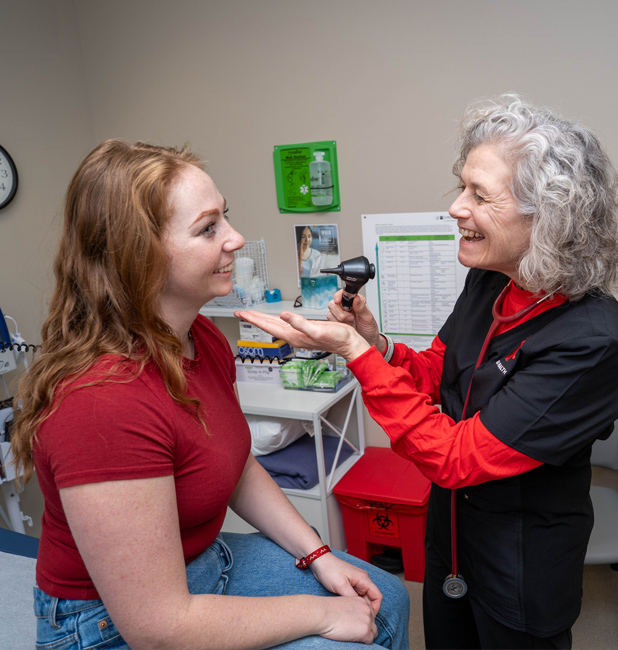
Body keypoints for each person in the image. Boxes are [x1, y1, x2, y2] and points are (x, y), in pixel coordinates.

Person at [235, 95, 618, 649]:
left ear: (548, 214)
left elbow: (456, 456)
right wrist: (379, 344)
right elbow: (441, 373)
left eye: (479, 195)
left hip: (520, 559)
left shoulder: (591, 340)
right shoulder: (492, 279)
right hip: (451, 534)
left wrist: (357, 353)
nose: (455, 208)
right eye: (461, 187)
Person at [10, 139, 410, 650]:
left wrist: (319, 556)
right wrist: (321, 616)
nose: (237, 239)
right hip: (113, 624)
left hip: (203, 564)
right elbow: (158, 627)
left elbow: (234, 464)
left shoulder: (205, 340)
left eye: (226, 218)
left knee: (388, 599)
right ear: (139, 256)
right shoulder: (101, 403)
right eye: (208, 228)